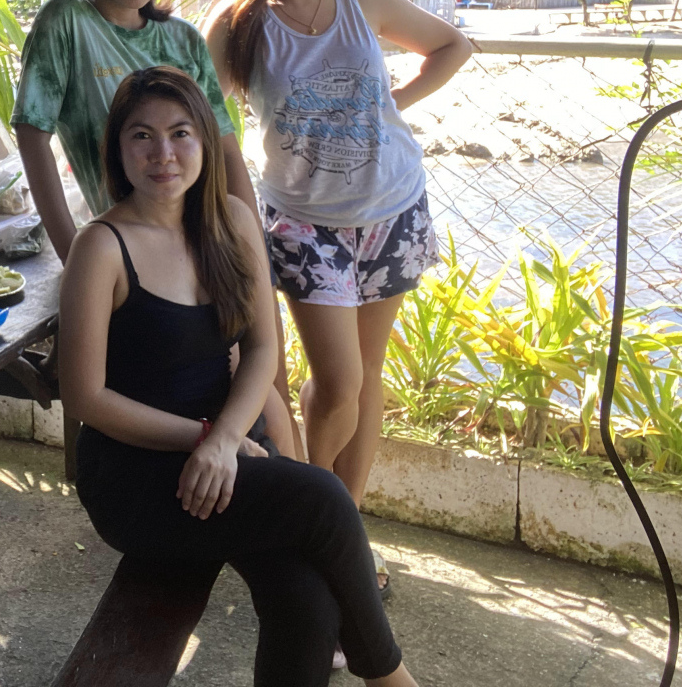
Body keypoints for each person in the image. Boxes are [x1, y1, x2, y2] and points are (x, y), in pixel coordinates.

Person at [61, 66, 417, 687]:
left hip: (228, 449)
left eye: (180, 133)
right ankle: (391, 679)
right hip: (138, 477)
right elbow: (85, 397)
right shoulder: (101, 246)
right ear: (117, 149)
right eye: (142, 136)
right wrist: (203, 439)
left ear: (205, 139)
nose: (163, 153)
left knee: (307, 599)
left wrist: (225, 437)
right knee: (324, 497)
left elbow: (260, 347)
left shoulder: (229, 219)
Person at [206, 0, 472, 600]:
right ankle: (314, 515)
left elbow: (452, 46)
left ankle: (343, 525)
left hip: (393, 207)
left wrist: (393, 105)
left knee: (368, 374)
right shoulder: (240, 23)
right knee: (339, 380)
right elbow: (202, 114)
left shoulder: (362, 2)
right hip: (304, 222)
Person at [14, 0, 298, 457]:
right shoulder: (67, 21)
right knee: (227, 391)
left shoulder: (181, 39)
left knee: (267, 386)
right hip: (128, 251)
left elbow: (224, 151)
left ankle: (302, 489)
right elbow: (33, 135)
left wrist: (251, 249)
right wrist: (76, 256)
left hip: (205, 240)